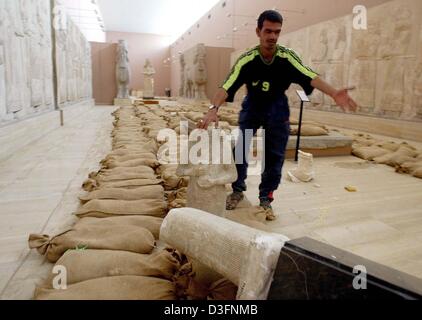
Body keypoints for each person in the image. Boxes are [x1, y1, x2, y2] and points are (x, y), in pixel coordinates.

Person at [198, 10, 357, 220]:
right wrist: (213, 109)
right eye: (268, 31)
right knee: (241, 147)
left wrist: (334, 92)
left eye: (277, 32)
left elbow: (310, 77)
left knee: (275, 156)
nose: (272, 36)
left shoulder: (287, 57)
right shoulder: (247, 60)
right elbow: (226, 86)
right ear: (258, 31)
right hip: (253, 106)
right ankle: (237, 189)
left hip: (277, 107)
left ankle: (266, 198)